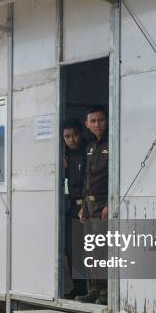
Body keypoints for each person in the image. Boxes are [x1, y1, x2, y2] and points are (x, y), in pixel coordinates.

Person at [76, 107, 109, 304]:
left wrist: (110, 203)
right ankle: (93, 291)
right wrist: (83, 204)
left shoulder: (112, 143)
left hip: (103, 203)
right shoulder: (89, 147)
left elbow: (116, 175)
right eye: (93, 121)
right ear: (87, 124)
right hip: (88, 205)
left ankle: (105, 294)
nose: (97, 124)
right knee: (89, 249)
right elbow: (86, 178)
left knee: (101, 249)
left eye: (101, 120)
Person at [62, 119, 88, 299]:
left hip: (86, 205)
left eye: (75, 135)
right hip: (70, 206)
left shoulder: (88, 151)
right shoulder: (62, 155)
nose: (72, 140)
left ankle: (91, 289)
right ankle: (78, 286)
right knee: (71, 249)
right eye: (67, 137)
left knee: (88, 248)